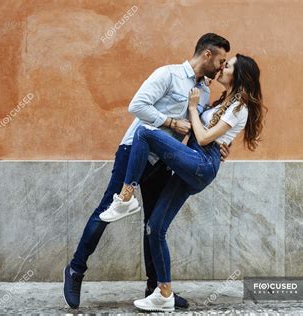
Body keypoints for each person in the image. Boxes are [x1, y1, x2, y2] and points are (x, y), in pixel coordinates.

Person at [63, 33, 232, 309]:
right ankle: (75, 270)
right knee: (107, 210)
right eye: (221, 60)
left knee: (153, 224)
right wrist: (170, 122)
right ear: (207, 55)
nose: (222, 67)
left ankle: (157, 289)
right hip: (134, 152)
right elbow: (137, 106)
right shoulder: (168, 75)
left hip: (164, 162)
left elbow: (197, 130)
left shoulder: (203, 92)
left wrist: (216, 146)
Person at [100, 54, 267, 312]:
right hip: (194, 161)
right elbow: (212, 137)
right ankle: (164, 294)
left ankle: (126, 196)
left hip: (200, 163)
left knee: (144, 132)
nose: (222, 67)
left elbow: (202, 138)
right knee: (155, 227)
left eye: (229, 65)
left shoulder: (239, 107)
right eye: (224, 63)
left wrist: (191, 108)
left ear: (240, 75)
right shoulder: (224, 102)